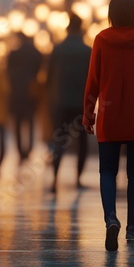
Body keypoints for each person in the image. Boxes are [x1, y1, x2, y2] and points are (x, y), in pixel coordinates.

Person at [82, 0, 134, 252]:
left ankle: (111, 219)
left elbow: (93, 81)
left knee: (107, 171)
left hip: (110, 116)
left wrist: (88, 114)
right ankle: (132, 228)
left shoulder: (102, 40)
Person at [48, 14, 92, 193]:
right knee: (82, 142)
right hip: (82, 102)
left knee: (60, 140)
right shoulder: (87, 51)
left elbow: (49, 76)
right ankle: (78, 179)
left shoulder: (58, 49)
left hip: (62, 100)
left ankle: (54, 179)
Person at [7, 32, 43, 161]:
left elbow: (8, 72)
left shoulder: (14, 54)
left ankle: (20, 150)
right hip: (30, 91)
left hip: (16, 92)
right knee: (31, 121)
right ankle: (29, 148)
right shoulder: (36, 53)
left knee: (17, 123)